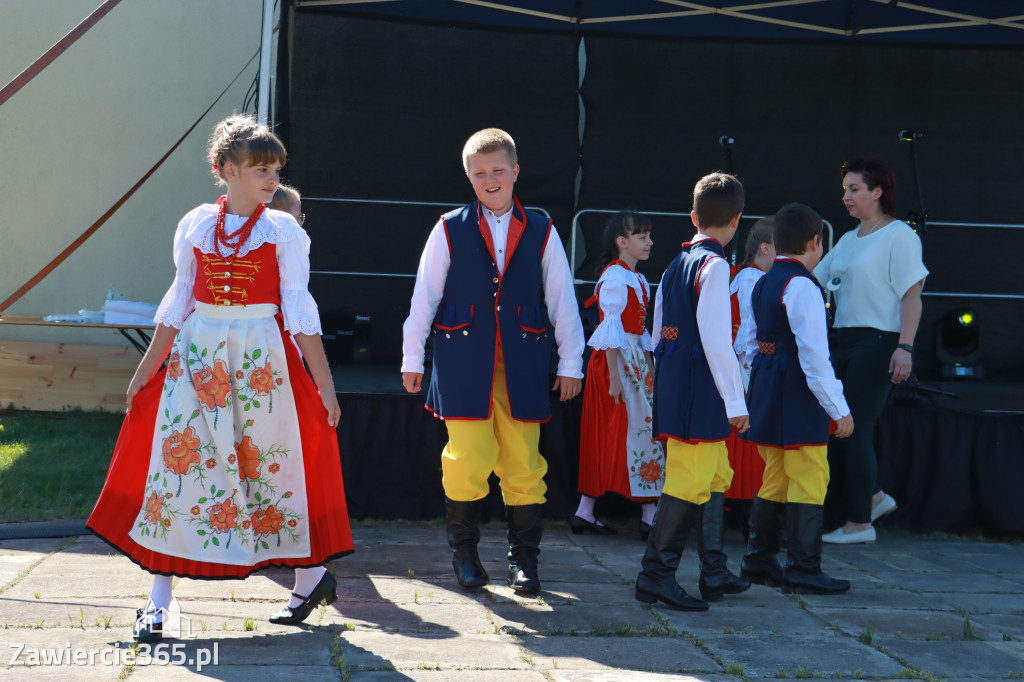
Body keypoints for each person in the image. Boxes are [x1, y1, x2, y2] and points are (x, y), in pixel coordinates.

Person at [87, 115, 353, 643]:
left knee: (268, 469)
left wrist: (324, 383)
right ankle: (159, 602)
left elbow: (300, 310)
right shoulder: (195, 224)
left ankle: (311, 575)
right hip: (200, 359)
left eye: (276, 167)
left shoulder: (283, 231)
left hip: (261, 363)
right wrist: (146, 370)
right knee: (179, 467)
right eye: (259, 167)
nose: (271, 176)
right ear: (225, 170)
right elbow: (178, 302)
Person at [401, 128, 584, 597]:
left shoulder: (543, 229)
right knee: (467, 459)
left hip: (522, 364)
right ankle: (465, 555)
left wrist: (571, 363)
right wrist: (411, 355)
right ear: (469, 176)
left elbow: (562, 299)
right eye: (480, 172)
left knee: (524, 462)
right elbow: (425, 295)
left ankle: (524, 562)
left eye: (498, 170)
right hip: (463, 364)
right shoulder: (448, 228)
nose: (490, 179)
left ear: (516, 171)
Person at [636, 172, 751, 611]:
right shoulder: (715, 266)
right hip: (698, 389)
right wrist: (736, 402)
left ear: (693, 216)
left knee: (715, 474)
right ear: (737, 220)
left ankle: (714, 572)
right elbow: (717, 341)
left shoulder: (675, 263)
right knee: (689, 480)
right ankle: (655, 575)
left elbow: (658, 333)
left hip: (679, 384)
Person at [740, 203, 853, 594]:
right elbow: (814, 357)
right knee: (809, 475)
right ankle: (803, 568)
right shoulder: (802, 285)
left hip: (768, 384)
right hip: (797, 389)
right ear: (815, 242)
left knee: (776, 474)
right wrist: (838, 409)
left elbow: (748, 344)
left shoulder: (762, 281)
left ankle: (758, 559)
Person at [814, 158, 928, 545]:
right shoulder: (848, 238)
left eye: (854, 189)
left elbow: (913, 296)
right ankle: (874, 497)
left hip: (878, 341)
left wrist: (904, 348)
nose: (846, 196)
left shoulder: (900, 235)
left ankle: (861, 523)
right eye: (844, 189)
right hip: (843, 341)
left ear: (877, 191)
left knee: (855, 430)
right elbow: (814, 277)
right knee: (841, 431)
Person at [574, 211, 665, 540]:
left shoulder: (635, 278)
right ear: (622, 243)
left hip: (633, 362)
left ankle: (638, 511)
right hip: (615, 363)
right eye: (642, 237)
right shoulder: (615, 277)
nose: (649, 242)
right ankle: (639, 513)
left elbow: (637, 332)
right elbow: (611, 329)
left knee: (639, 432)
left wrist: (649, 368)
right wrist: (614, 377)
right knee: (618, 434)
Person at [723, 217, 776, 507]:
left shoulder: (748, 277)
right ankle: (748, 512)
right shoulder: (751, 280)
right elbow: (748, 333)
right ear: (765, 248)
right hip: (747, 369)